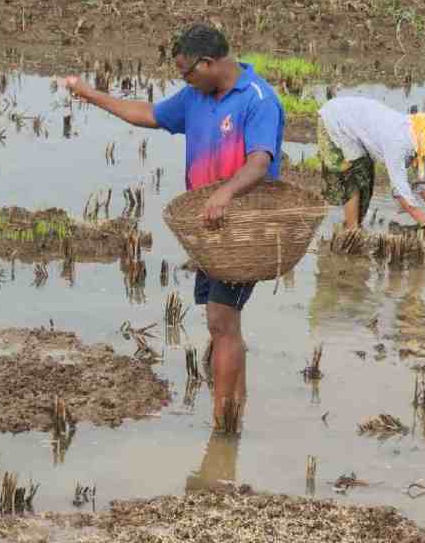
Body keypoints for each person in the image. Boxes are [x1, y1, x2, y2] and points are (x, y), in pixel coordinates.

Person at [63, 23, 284, 430]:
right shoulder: (196, 95)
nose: (182, 80)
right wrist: (89, 94)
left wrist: (226, 193)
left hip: (244, 226)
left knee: (220, 319)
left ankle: (222, 427)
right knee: (224, 323)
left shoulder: (257, 99)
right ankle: (235, 409)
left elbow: (260, 161)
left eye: (186, 72)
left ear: (210, 63)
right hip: (207, 229)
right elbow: (148, 114)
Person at [316, 96, 425, 240]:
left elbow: (424, 183)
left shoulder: (423, 141)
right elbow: (401, 194)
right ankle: (351, 232)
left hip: (356, 125)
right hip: (335, 120)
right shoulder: (399, 142)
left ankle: (352, 225)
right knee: (353, 177)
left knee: (365, 178)